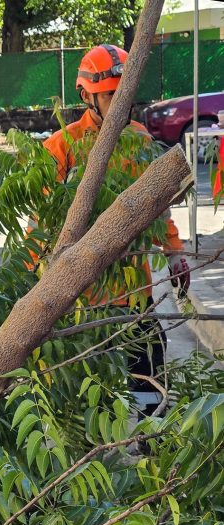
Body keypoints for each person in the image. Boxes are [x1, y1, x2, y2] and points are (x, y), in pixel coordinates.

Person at [41, 44, 191, 414]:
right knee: (90, 397)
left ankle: (152, 438)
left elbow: (158, 206)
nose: (120, 104)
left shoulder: (140, 139)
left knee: (149, 375)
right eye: (111, 96)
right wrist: (40, 283)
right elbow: (40, 226)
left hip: (134, 292)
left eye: (125, 94)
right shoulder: (61, 147)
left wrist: (175, 254)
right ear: (86, 96)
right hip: (82, 300)